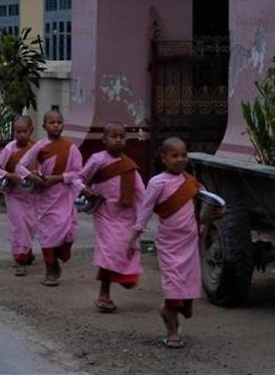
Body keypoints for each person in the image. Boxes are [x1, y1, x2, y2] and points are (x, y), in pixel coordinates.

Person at [128, 136, 202, 349]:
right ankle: (172, 332)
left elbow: (200, 207)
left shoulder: (190, 181)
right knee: (173, 289)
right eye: (174, 155)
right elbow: (145, 210)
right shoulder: (157, 182)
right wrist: (134, 236)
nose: (180, 160)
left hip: (189, 242)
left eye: (184, 155)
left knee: (187, 295)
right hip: (169, 243)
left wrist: (211, 216)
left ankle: (176, 310)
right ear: (164, 158)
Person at [74, 122, 146, 312]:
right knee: (109, 251)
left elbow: (141, 195)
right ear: (104, 139)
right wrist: (85, 190)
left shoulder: (130, 166)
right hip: (104, 213)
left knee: (129, 249)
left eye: (121, 136)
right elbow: (78, 179)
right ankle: (104, 295)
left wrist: (142, 218)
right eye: (113, 136)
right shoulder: (97, 160)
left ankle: (125, 277)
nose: (118, 140)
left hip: (126, 216)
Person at [16, 110, 82, 286]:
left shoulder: (71, 148)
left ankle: (59, 257)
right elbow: (20, 167)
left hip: (65, 196)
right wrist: (33, 177)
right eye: (51, 122)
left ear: (63, 125)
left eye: (59, 122)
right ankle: (50, 269)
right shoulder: (39, 147)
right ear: (44, 126)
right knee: (47, 235)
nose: (55, 125)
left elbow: (78, 173)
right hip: (45, 197)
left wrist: (60, 178)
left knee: (69, 232)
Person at [0, 116, 37, 276]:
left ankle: (27, 251)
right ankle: (19, 259)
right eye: (18, 132)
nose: (21, 135)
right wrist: (9, 175)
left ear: (31, 131)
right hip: (14, 195)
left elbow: (43, 168)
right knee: (18, 226)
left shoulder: (37, 148)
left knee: (30, 226)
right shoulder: (10, 148)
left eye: (25, 131)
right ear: (13, 132)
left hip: (31, 195)